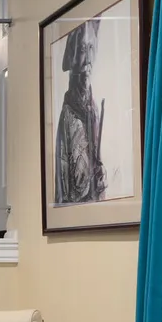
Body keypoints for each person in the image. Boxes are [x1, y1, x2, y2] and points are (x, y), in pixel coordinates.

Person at [55, 24, 104, 205]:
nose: (88, 60)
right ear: (72, 58)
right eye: (83, 50)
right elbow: (70, 191)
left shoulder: (93, 109)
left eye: (91, 48)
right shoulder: (69, 116)